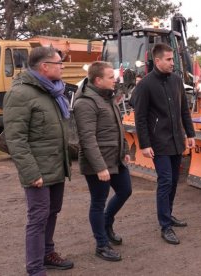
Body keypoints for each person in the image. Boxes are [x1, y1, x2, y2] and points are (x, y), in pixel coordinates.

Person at [3, 46, 74, 275]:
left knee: (52, 211)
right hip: (38, 172)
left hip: (55, 166)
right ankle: (35, 268)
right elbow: (16, 139)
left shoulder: (52, 91)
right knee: (38, 217)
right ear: (45, 67)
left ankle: (47, 253)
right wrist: (32, 173)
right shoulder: (20, 94)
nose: (62, 68)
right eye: (59, 64)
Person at [133, 43, 196, 245]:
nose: (172, 63)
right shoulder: (145, 85)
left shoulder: (177, 81)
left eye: (172, 59)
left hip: (177, 139)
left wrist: (190, 133)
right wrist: (144, 144)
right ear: (157, 60)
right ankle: (165, 226)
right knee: (165, 181)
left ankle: (168, 214)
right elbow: (140, 118)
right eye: (168, 59)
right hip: (158, 142)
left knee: (174, 180)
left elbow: (184, 110)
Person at [73, 61, 132, 262]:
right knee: (98, 203)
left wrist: (124, 150)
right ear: (98, 80)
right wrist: (100, 167)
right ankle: (101, 244)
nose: (114, 80)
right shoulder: (85, 102)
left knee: (125, 190)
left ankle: (107, 223)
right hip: (98, 164)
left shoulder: (107, 98)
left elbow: (117, 126)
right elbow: (87, 138)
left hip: (115, 158)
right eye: (110, 77)